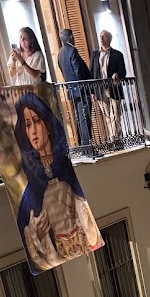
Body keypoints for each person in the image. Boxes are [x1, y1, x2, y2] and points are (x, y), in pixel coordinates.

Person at [13, 90, 103, 270]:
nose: (33, 130)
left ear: (47, 124)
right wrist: (36, 233)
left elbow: (86, 218)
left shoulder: (65, 169)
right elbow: (29, 233)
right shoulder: (32, 188)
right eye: (28, 124)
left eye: (37, 121)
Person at [89, 29, 126, 141]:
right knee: (107, 117)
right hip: (100, 90)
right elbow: (92, 73)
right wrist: (92, 92)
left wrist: (117, 74)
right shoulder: (94, 55)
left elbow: (123, 71)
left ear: (109, 39)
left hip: (114, 88)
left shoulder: (117, 54)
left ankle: (113, 139)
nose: (101, 38)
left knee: (115, 115)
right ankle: (118, 138)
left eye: (103, 36)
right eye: (100, 36)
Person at [57, 28, 92, 146]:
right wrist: (84, 87)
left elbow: (63, 71)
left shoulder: (60, 53)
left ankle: (82, 145)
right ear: (71, 37)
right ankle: (87, 146)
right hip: (81, 91)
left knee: (78, 118)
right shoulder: (72, 51)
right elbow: (78, 72)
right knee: (84, 118)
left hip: (71, 91)